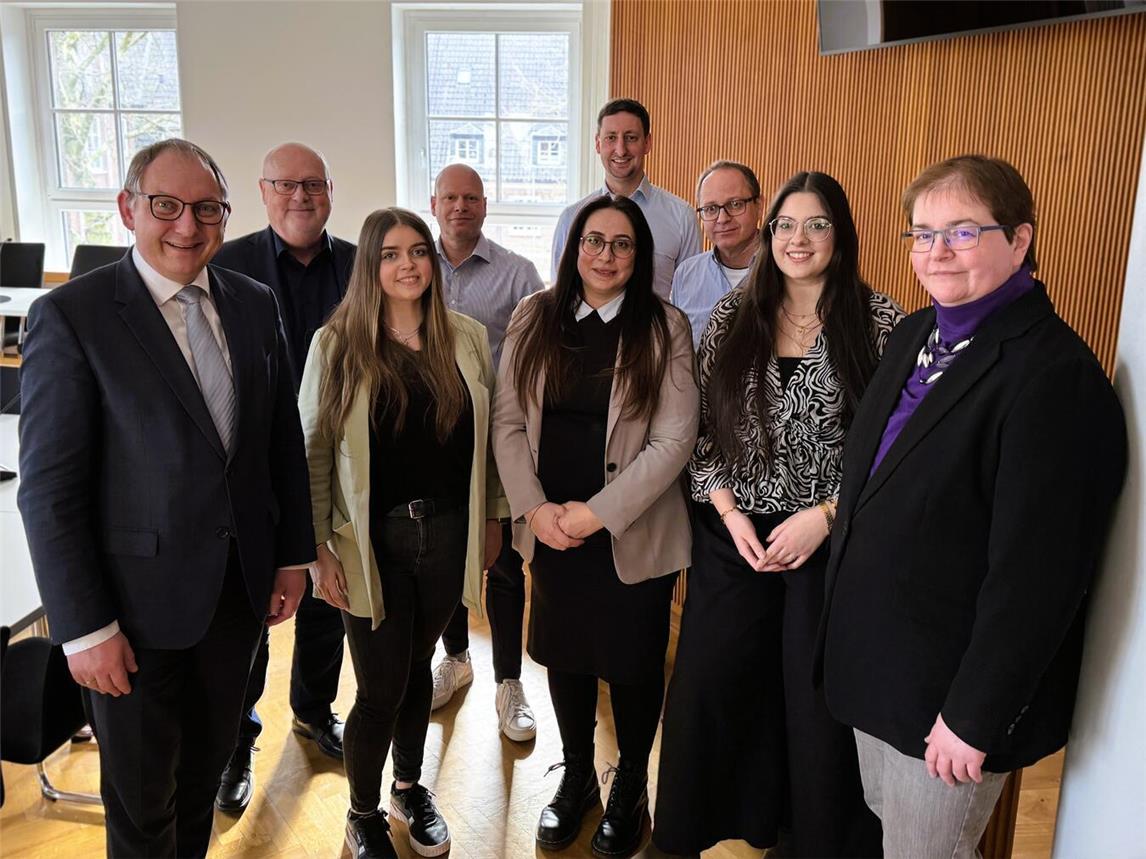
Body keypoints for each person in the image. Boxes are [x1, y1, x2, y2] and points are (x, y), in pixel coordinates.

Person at [816, 155, 1126, 858]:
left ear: (1019, 240)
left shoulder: (1054, 378)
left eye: (961, 231)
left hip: (946, 702)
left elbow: (1037, 578)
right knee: (889, 826)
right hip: (879, 669)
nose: (936, 251)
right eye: (922, 234)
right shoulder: (913, 334)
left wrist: (973, 715)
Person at [17, 138, 316, 858]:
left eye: (206, 208)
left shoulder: (252, 302)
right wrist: (85, 628)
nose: (188, 225)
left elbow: (281, 442)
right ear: (129, 208)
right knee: (142, 806)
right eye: (167, 206)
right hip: (132, 617)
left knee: (200, 783)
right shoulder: (71, 316)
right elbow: (50, 490)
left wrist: (292, 556)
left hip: (236, 602)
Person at [654, 172, 903, 857]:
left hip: (830, 541)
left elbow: (895, 447)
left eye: (817, 224)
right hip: (733, 532)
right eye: (787, 225)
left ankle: (805, 839)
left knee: (810, 698)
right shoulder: (736, 316)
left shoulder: (883, 322)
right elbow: (699, 431)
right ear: (771, 234)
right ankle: (694, 829)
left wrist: (824, 515)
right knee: (710, 680)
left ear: (841, 234)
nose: (799, 239)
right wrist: (731, 515)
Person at [299, 207, 508, 859]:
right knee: (382, 683)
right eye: (391, 253)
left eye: (418, 251)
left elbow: (492, 438)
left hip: (448, 534)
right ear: (371, 264)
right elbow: (313, 450)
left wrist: (495, 517)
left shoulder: (466, 336)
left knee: (419, 669)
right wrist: (317, 552)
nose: (409, 264)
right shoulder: (337, 344)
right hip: (372, 541)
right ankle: (361, 812)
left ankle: (409, 787)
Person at [494, 196, 698, 857]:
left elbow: (674, 438)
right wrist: (534, 508)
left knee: (634, 664)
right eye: (592, 241)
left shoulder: (665, 325)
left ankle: (631, 784)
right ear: (573, 246)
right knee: (566, 654)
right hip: (551, 529)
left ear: (640, 257)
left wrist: (598, 511)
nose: (604, 255)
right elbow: (507, 421)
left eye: (620, 244)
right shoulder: (535, 315)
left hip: (630, 533)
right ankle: (578, 774)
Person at [211, 141, 356, 811]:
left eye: (313, 185)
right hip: (254, 466)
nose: (301, 196)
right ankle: (237, 741)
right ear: (264, 192)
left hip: (336, 466)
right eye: (287, 185)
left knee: (329, 598)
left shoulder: (360, 265)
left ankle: (313, 707)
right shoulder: (224, 262)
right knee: (251, 609)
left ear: (329, 191)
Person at [426, 163, 544, 744]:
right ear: (434, 203)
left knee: (502, 561)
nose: (460, 206)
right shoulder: (411, 265)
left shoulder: (519, 274)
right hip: (430, 439)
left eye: (471, 197)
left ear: (485, 205)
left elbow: (537, 360)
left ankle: (509, 683)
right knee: (446, 552)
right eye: (450, 197)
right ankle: (455, 658)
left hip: (496, 436)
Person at [551, 98, 700, 300]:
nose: (621, 150)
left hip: (655, 331)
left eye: (631, 138)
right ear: (598, 144)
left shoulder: (682, 217)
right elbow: (560, 296)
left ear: (647, 143)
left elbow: (690, 300)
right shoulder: (571, 218)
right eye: (611, 138)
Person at [670, 160, 763, 349]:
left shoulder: (786, 270)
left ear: (759, 206)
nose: (722, 218)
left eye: (735, 204)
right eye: (710, 209)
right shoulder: (686, 275)